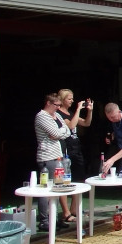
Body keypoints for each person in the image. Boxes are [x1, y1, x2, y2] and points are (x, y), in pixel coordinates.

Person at [34, 93, 71, 231]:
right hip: (47, 157)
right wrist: (58, 133)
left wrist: (58, 132)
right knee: (46, 189)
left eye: (59, 105)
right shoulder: (42, 116)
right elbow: (56, 133)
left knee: (58, 186)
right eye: (56, 105)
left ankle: (54, 218)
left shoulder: (57, 115)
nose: (58, 108)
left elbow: (67, 131)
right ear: (48, 103)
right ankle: (44, 220)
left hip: (58, 156)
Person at [56, 89, 93, 223]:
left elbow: (86, 123)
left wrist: (89, 110)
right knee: (64, 181)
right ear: (62, 100)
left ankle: (74, 209)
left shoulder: (71, 113)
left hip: (77, 149)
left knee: (79, 179)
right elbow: (71, 125)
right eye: (69, 99)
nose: (72, 101)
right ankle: (65, 212)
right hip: (66, 149)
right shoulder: (58, 114)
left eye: (72, 99)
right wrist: (78, 109)